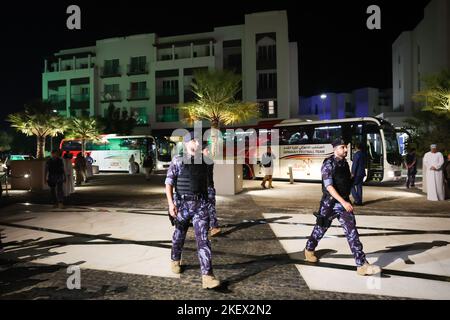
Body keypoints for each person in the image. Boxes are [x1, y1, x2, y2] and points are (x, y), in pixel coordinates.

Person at [304, 138, 381, 276]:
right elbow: (329, 186)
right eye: (342, 147)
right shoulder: (328, 164)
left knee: (352, 233)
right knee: (320, 229)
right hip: (330, 204)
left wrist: (353, 181)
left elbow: (345, 182)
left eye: (346, 147)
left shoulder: (345, 163)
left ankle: (361, 264)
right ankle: (309, 249)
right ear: (335, 149)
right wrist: (344, 202)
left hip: (343, 203)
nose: (346, 150)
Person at [165, 131, 221, 289]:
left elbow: (209, 184)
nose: (198, 143)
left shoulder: (206, 162)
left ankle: (207, 276)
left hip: (200, 206)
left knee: (203, 240)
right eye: (195, 141)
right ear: (187, 143)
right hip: (182, 205)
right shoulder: (177, 160)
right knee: (179, 235)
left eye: (199, 141)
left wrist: (210, 207)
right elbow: (168, 183)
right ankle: (175, 260)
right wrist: (171, 204)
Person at [202, 141, 221, 237]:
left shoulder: (207, 161)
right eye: (206, 150)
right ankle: (213, 227)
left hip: (207, 187)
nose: (208, 151)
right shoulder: (202, 161)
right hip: (206, 188)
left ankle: (210, 226)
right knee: (210, 208)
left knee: (208, 207)